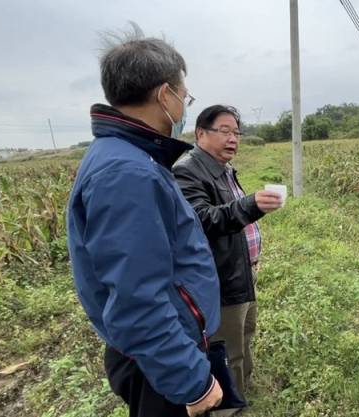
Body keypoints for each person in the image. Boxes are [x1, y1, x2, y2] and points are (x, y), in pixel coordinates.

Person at [66, 23, 222, 417]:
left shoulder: (127, 158)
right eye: (184, 95)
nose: (184, 106)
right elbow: (137, 300)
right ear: (165, 94)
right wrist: (193, 381)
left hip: (160, 354)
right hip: (160, 365)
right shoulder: (127, 172)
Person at [172, 105, 283, 412]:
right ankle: (228, 406)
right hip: (219, 279)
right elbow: (204, 220)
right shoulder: (188, 170)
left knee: (245, 333)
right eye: (225, 131)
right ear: (200, 133)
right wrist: (251, 205)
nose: (233, 138)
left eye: (236, 132)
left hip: (241, 271)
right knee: (226, 348)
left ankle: (243, 386)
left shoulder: (222, 168)